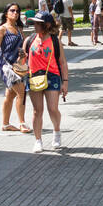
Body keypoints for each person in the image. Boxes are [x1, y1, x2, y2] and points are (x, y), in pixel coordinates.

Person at [0, 2, 31, 133]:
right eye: (12, 10)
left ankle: (5, 124)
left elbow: (24, 45)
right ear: (6, 13)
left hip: (18, 65)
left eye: (17, 11)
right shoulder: (2, 29)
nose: (15, 13)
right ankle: (22, 123)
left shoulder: (19, 28)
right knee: (21, 92)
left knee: (10, 95)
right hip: (7, 66)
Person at [23, 12, 67, 151]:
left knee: (52, 109)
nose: (34, 25)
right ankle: (38, 140)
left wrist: (65, 82)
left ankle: (57, 131)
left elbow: (63, 63)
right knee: (37, 111)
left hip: (52, 76)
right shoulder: (29, 40)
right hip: (34, 77)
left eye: (37, 23)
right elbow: (22, 62)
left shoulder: (55, 41)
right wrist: (20, 62)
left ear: (46, 25)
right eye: (34, 23)